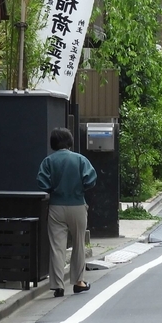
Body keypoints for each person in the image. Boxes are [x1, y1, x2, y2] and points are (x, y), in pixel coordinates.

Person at [36, 127, 97, 297]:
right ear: (69, 142)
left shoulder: (48, 161)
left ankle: (57, 285)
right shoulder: (80, 160)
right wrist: (80, 188)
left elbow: (42, 182)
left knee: (57, 247)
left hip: (56, 205)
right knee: (78, 244)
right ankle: (79, 282)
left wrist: (53, 189)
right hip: (77, 204)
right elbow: (91, 179)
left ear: (53, 143)